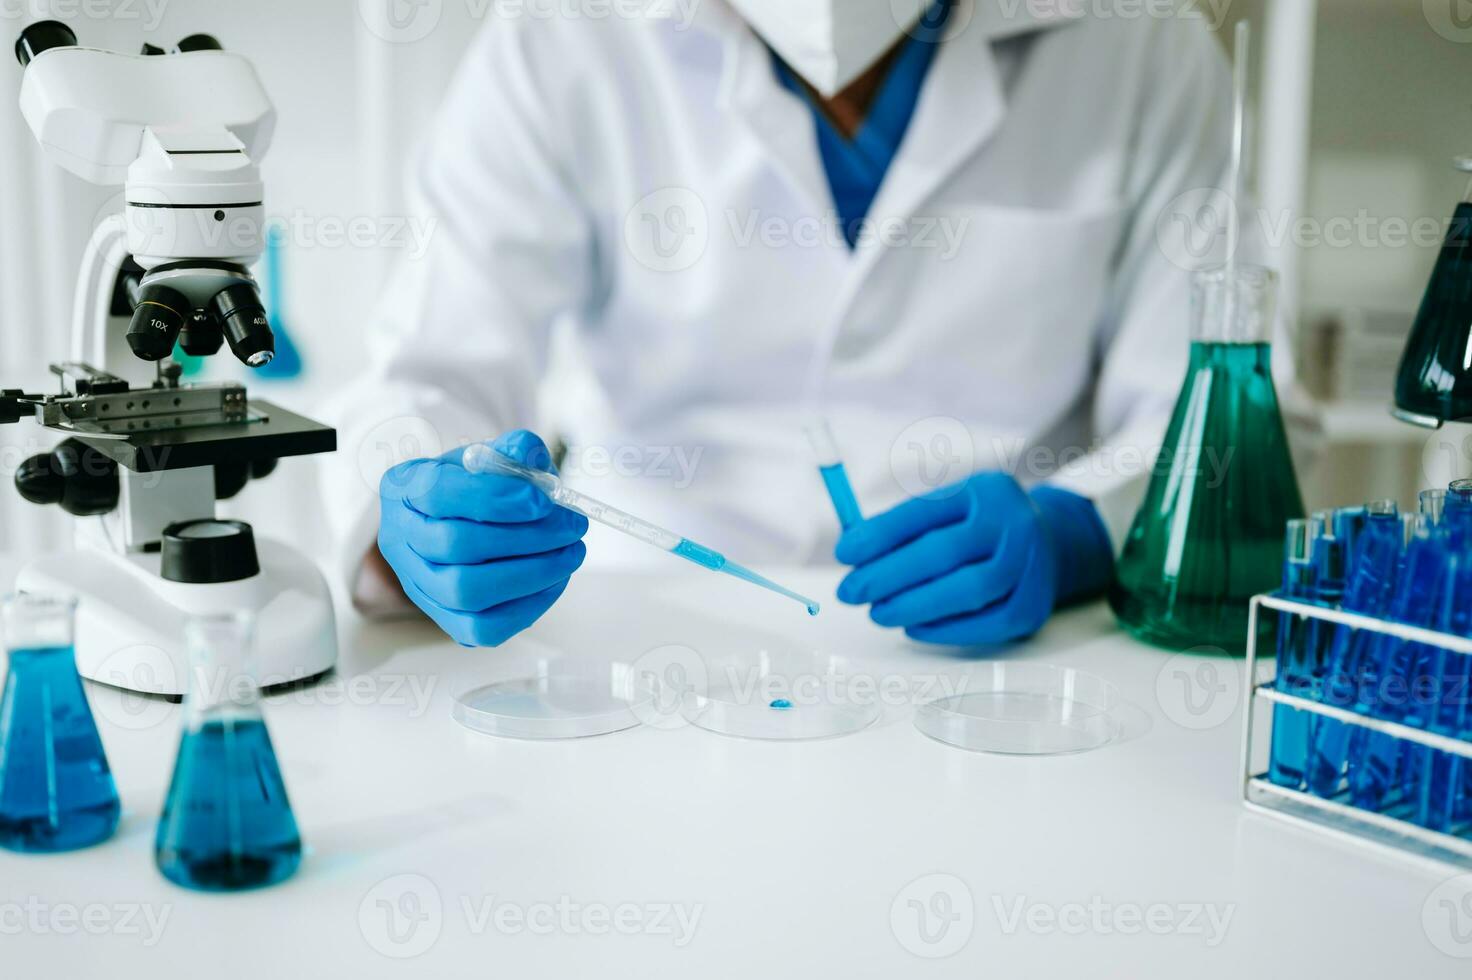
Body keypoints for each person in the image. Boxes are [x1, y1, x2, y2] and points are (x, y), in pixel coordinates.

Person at [324, 0, 1305, 647]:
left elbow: (1235, 423)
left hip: (1004, 653)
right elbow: (424, 369)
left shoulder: (1133, 38)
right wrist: (411, 514)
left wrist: (1075, 533)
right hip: (635, 624)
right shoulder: (565, 31)